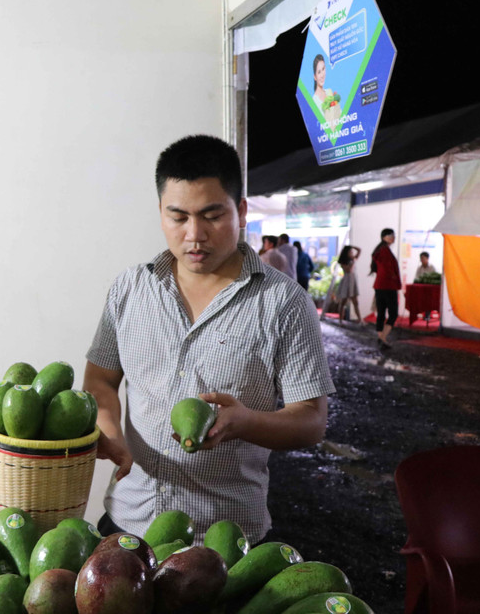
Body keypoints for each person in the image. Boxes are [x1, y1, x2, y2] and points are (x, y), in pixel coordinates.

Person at [84, 134, 334, 544]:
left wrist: (246, 423)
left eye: (212, 216)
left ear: (241, 211)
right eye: (178, 217)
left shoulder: (283, 302)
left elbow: (311, 419)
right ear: (161, 212)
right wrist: (111, 432)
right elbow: (99, 381)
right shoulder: (129, 289)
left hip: (224, 539)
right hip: (129, 521)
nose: (194, 234)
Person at [370, 228, 401, 350]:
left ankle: (381, 337)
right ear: (384, 237)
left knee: (381, 312)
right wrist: (394, 279)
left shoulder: (379, 250)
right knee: (393, 313)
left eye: (393, 235)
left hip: (380, 285)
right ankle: (382, 337)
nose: (393, 237)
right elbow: (388, 270)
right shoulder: (384, 251)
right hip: (388, 286)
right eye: (390, 235)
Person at [332, 245, 363, 326]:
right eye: (350, 252)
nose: (352, 253)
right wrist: (352, 261)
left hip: (352, 281)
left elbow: (359, 250)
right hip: (347, 281)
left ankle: (360, 319)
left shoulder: (352, 259)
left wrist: (351, 246)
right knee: (343, 302)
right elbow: (348, 270)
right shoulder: (344, 261)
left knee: (355, 301)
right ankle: (340, 320)